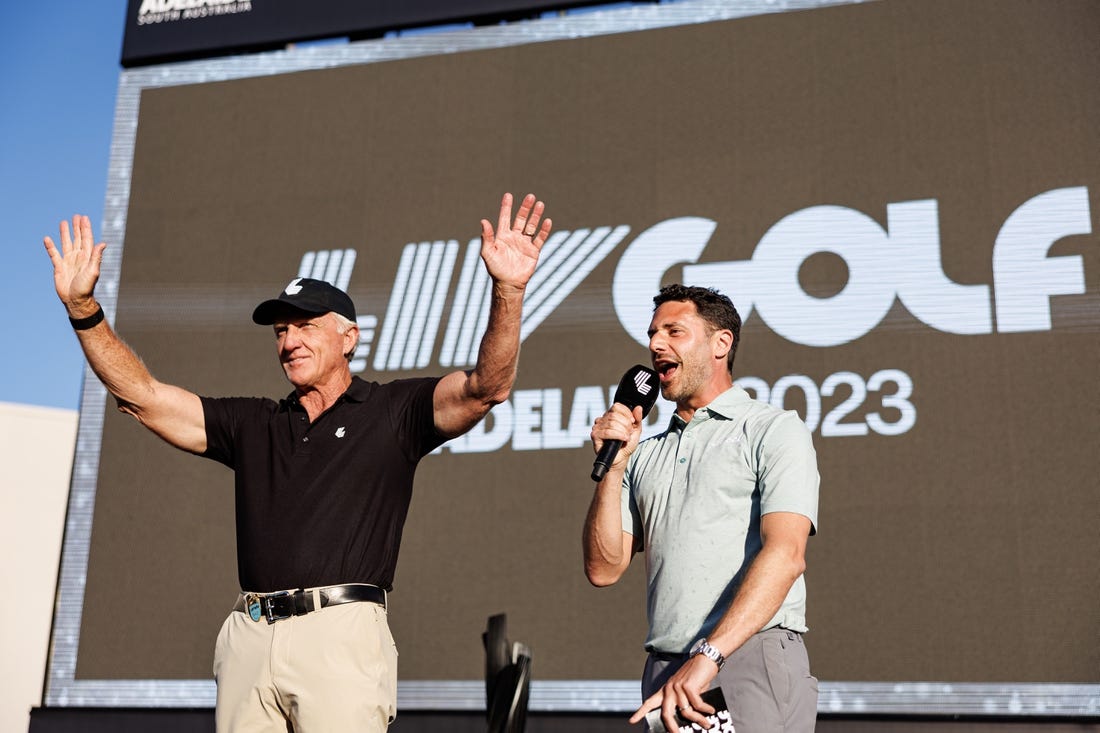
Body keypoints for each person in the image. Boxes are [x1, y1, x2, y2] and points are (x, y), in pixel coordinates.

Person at [43, 193, 552, 733]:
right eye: (281, 330)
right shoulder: (256, 423)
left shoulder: (391, 412)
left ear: (349, 337)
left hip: (339, 634)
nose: (289, 341)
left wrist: (509, 289)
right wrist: (84, 311)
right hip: (250, 635)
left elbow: (485, 388)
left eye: (306, 325)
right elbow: (144, 397)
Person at [583, 284, 820, 733]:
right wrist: (613, 468)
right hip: (666, 668)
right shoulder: (645, 453)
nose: (656, 345)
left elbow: (787, 555)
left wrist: (710, 656)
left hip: (745, 655)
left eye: (674, 331)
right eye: (653, 334)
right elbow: (603, 568)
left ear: (721, 343)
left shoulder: (772, 429)